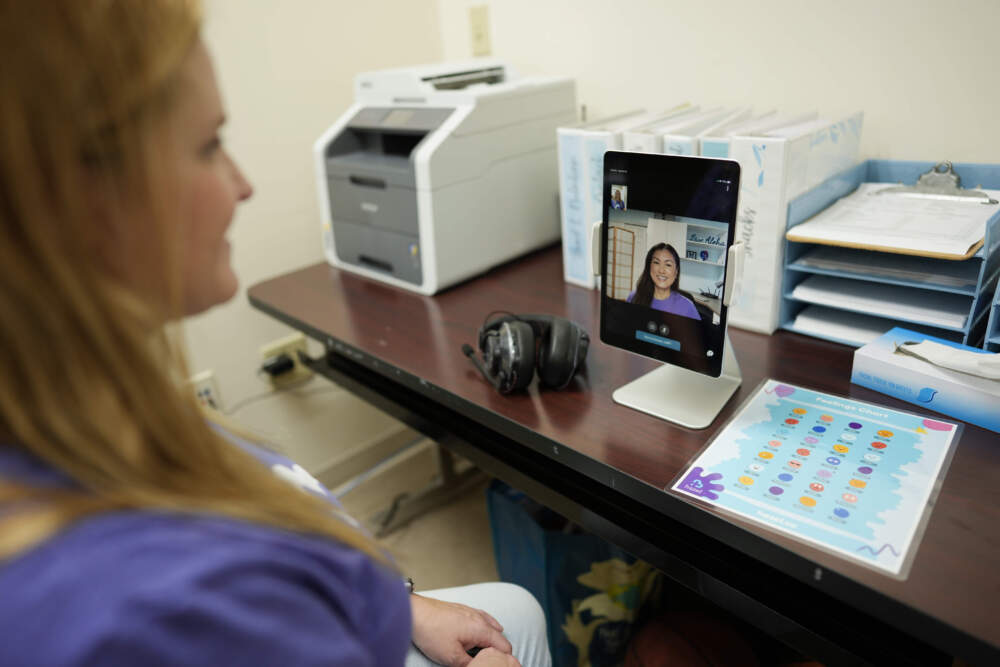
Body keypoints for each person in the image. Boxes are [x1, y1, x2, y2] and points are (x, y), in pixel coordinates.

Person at [0, 2, 548, 666]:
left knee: (515, 606)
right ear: (78, 200)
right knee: (514, 624)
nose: (243, 185)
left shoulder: (80, 403)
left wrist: (404, 598)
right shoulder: (175, 607)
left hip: (362, 597)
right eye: (208, 145)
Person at [627, 243, 701, 320]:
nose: (661, 270)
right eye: (656, 262)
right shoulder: (634, 297)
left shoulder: (687, 307)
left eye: (668, 265)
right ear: (649, 267)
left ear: (676, 272)